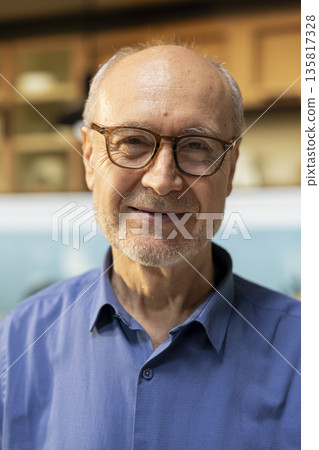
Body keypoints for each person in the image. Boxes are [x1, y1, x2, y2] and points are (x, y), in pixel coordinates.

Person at [0, 42, 300, 449]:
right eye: (133, 142)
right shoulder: (17, 341)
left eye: (197, 146)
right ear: (89, 157)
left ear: (229, 169)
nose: (162, 180)